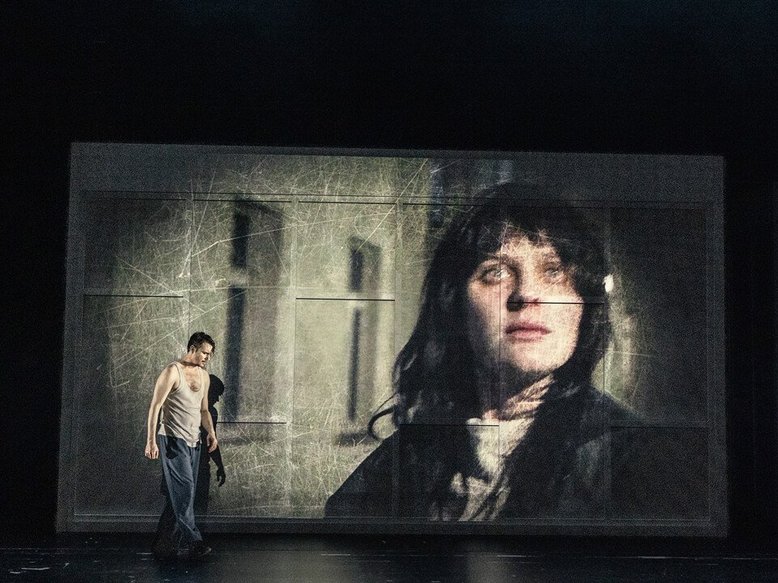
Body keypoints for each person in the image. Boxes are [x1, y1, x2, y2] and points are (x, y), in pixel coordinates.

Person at [325, 182, 701, 520]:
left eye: (554, 271)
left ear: (584, 307)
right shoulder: (393, 471)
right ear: (455, 305)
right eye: (496, 272)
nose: (527, 294)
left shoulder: (639, 465)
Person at [145, 332, 218, 559]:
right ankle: (194, 542)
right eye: (204, 353)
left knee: (179, 496)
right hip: (173, 440)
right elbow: (155, 406)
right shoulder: (172, 372)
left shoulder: (204, 376)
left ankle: (163, 543)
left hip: (194, 442)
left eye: (210, 354)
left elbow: (203, 410)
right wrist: (151, 441)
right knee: (185, 491)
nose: (207, 357)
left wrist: (211, 433)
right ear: (193, 348)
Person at [194, 374, 226, 514]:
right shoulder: (210, 412)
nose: (217, 399)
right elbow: (211, 443)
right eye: (216, 394)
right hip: (199, 467)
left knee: (175, 508)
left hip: (191, 465)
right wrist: (219, 465)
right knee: (199, 508)